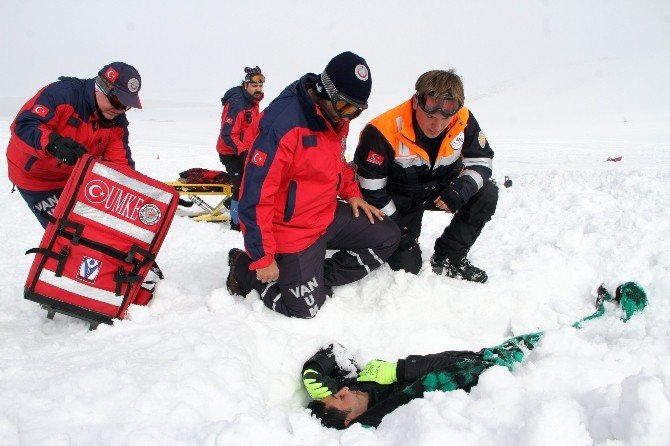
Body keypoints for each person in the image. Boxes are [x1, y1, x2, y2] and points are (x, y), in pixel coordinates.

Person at [302, 282, 648, 429]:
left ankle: (602, 318)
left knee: (553, 340)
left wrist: (314, 379)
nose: (343, 390)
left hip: (483, 355)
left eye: (336, 391)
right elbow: (443, 381)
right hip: (496, 371)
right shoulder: (383, 411)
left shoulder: (361, 386)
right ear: (349, 420)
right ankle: (617, 320)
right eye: (340, 399)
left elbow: (334, 352)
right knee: (556, 348)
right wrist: (402, 374)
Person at [226, 51, 401, 318]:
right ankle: (242, 267)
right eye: (345, 108)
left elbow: (336, 161)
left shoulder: (336, 118)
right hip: (292, 230)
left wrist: (352, 194)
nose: (348, 117)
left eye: (357, 111)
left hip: (326, 214)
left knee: (388, 235)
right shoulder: (283, 124)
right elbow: (255, 195)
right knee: (305, 310)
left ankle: (318, 278)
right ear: (324, 90)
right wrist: (263, 256)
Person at [354, 69, 498, 283]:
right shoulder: (382, 130)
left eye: (445, 118)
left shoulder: (463, 118)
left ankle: (449, 257)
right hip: (397, 202)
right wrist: (398, 229)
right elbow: (371, 190)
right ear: (416, 102)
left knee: (486, 191)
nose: (437, 125)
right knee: (408, 268)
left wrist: (461, 189)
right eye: (430, 116)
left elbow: (481, 160)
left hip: (437, 189)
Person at [6, 62, 142, 228]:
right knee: (66, 233)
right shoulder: (62, 94)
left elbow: (120, 166)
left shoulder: (117, 123)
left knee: (99, 231)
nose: (120, 110)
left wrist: (143, 197)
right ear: (101, 87)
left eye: (126, 106)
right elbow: (24, 126)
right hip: (37, 178)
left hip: (75, 178)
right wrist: (54, 144)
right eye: (118, 101)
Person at [215, 66, 265, 231]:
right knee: (241, 186)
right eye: (254, 86)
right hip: (230, 152)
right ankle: (236, 224)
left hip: (245, 149)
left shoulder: (253, 101)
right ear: (246, 85)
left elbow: (250, 128)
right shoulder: (238, 104)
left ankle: (234, 205)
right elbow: (228, 134)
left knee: (253, 181)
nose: (258, 89)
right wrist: (243, 151)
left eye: (260, 86)